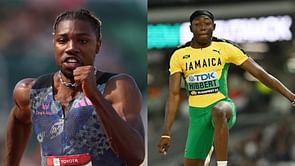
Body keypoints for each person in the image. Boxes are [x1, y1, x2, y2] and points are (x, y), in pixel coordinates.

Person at [4, 9, 145, 166]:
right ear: (54, 44)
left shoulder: (118, 87)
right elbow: (19, 120)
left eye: (83, 41)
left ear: (98, 45)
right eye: (62, 40)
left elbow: (136, 156)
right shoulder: (32, 91)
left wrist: (95, 97)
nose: (71, 48)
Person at [158, 9, 295, 166]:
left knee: (218, 110)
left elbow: (260, 74)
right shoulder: (179, 55)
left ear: (214, 27)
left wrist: (291, 96)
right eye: (197, 24)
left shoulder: (225, 48)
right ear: (190, 28)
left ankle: (222, 164)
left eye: (207, 24)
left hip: (223, 106)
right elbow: (174, 95)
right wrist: (166, 133)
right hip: (197, 115)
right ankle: (208, 148)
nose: (202, 27)